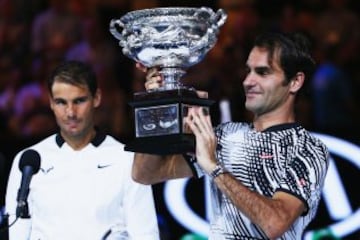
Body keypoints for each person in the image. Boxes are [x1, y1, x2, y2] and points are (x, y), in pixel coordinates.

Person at [133, 32, 329, 239]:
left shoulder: (308, 148)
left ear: (295, 82)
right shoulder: (225, 135)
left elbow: (274, 224)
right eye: (249, 71)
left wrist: (214, 168)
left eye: (262, 72)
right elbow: (145, 174)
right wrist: (156, 104)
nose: (248, 81)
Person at [5, 61, 160, 240]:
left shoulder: (127, 159)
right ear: (51, 103)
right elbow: (17, 233)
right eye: (61, 102)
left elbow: (145, 234)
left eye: (79, 101)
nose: (70, 112)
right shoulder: (28, 160)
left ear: (97, 98)